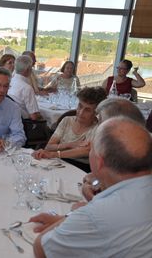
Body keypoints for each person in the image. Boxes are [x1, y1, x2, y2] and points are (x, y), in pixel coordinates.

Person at [30, 117, 152, 258]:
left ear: (99, 162)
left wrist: (75, 216)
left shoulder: (96, 215)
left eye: (91, 149)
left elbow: (41, 249)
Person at [80, 97, 145, 202]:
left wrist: (94, 200)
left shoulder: (138, 154)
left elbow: (127, 206)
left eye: (101, 121)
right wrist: (99, 179)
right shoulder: (133, 144)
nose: (98, 127)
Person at [32, 87, 106, 173]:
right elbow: (49, 147)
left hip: (81, 169)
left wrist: (55, 154)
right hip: (59, 163)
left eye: (87, 110)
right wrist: (71, 145)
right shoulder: (67, 120)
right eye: (80, 106)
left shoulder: (98, 128)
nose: (80, 112)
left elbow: (86, 150)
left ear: (96, 112)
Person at [8, 55, 42, 121]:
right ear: (27, 69)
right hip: (22, 123)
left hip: (9, 118)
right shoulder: (27, 88)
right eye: (31, 67)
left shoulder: (10, 81)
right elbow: (33, 116)